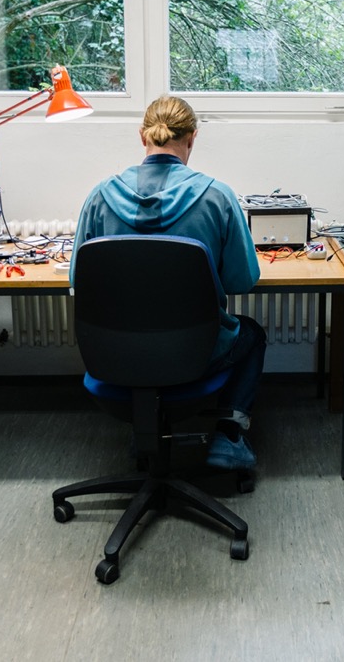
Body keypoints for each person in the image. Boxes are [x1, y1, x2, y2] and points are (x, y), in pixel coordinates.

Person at [71, 95, 266, 470]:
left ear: (142, 136)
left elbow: (80, 278)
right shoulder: (217, 196)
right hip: (195, 353)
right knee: (252, 334)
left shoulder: (99, 196)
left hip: (114, 355)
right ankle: (229, 437)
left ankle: (142, 432)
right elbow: (242, 280)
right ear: (192, 138)